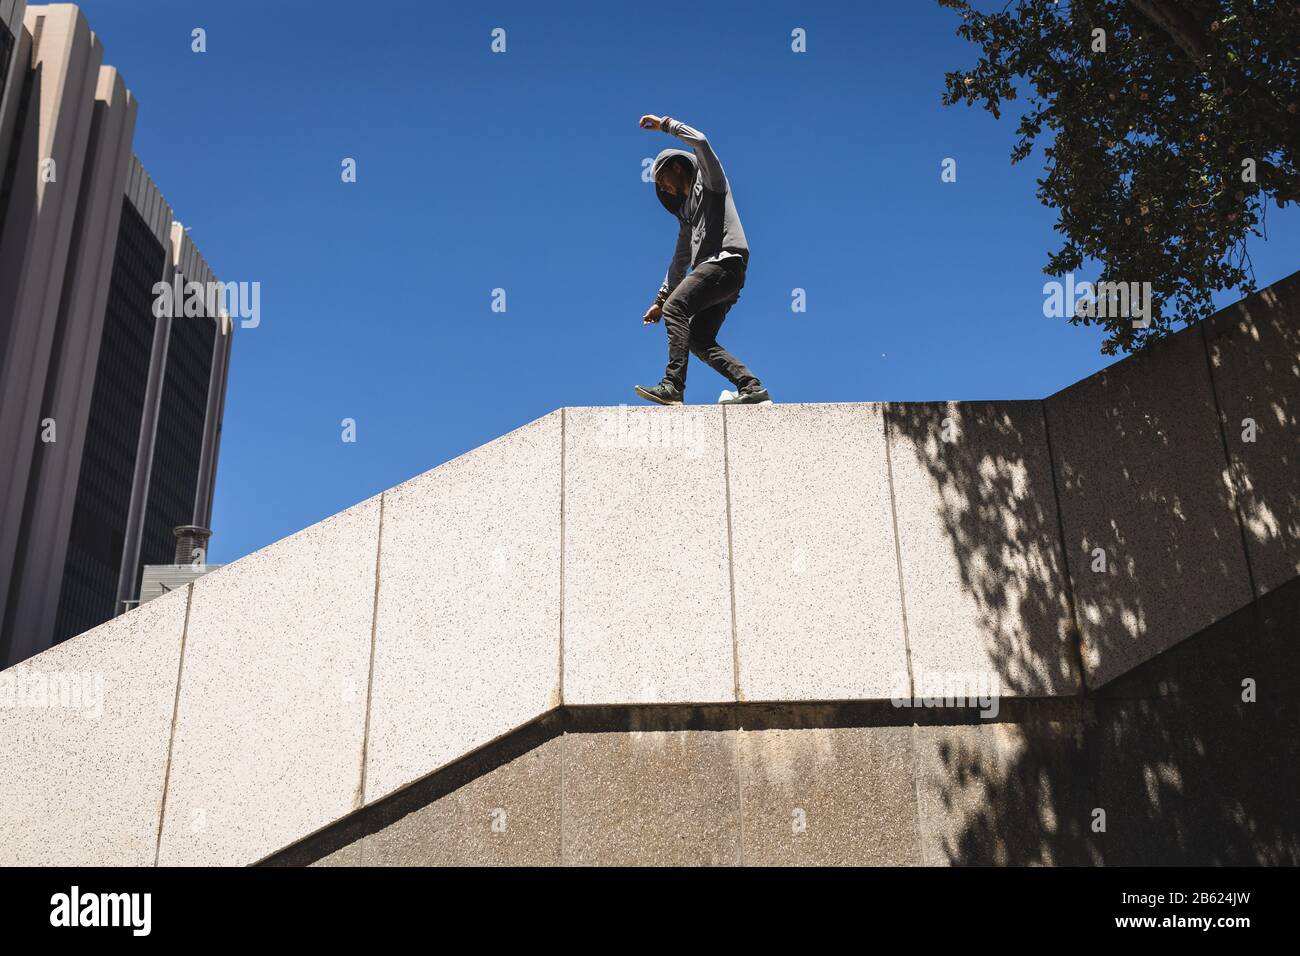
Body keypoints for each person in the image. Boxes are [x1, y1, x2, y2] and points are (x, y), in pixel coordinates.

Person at [635, 114, 770, 406]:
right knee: (698, 338)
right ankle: (751, 387)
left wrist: (666, 125)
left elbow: (702, 143)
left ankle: (673, 385)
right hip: (722, 279)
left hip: (725, 264)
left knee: (677, 309)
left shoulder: (711, 183)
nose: (663, 187)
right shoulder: (687, 219)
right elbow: (679, 260)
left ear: (677, 168)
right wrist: (660, 300)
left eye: (663, 179)